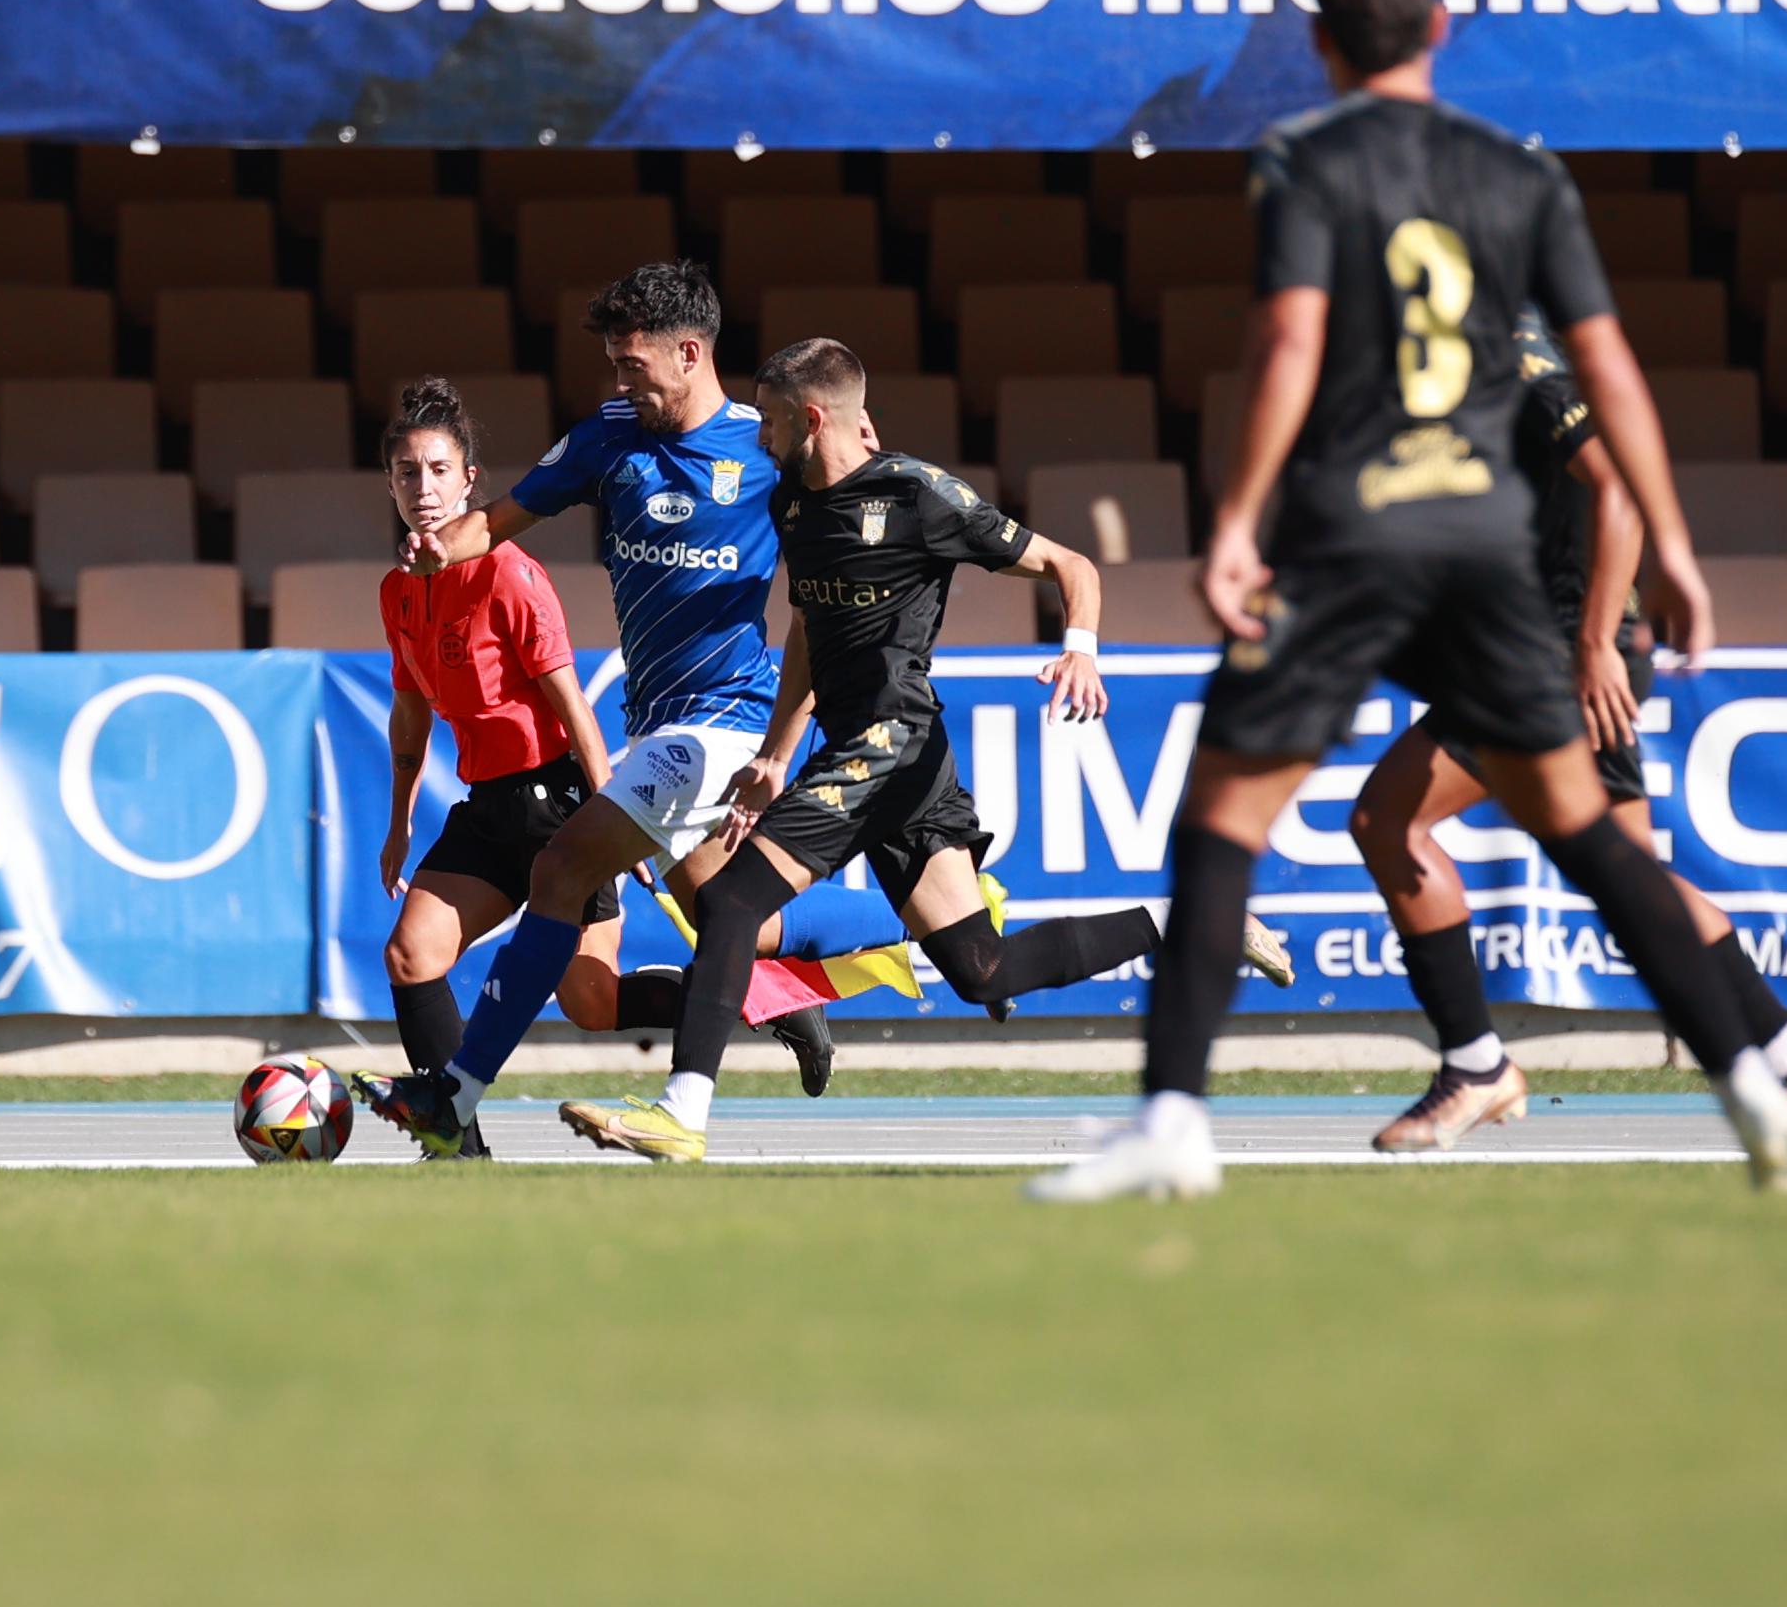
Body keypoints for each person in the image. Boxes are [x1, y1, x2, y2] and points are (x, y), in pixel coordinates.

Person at [1027, 0, 1787, 1205]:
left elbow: (1291, 345)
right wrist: (1675, 547)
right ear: (1441, 24)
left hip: (1353, 539)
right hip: (1485, 552)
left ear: (1319, 40)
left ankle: (1172, 1118)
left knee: (1224, 817)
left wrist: (1236, 523)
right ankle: (1755, 1083)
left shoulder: (1302, 158)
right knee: (1590, 836)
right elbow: (1612, 365)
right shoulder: (1523, 175)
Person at [559, 338, 1296, 1162]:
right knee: (982, 970)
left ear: (811, 418)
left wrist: (1081, 648)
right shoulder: (793, 504)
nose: (759, 436)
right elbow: (806, 628)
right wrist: (775, 753)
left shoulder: (919, 495)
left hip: (892, 744)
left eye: (769, 420)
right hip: (882, 755)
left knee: (731, 901)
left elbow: (1071, 563)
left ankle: (681, 1115)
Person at [351, 262, 922, 1158]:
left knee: (562, 871)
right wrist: (438, 549)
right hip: (658, 726)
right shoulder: (609, 436)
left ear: (689, 354)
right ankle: (926, 916)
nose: (620, 382)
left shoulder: (764, 447)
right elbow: (495, 520)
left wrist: (797, 726)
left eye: (633, 364)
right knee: (734, 915)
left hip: (724, 721)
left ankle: (453, 1102)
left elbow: (846, 546)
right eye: (615, 364)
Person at [1348, 311, 1787, 1153]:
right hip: (1566, 648)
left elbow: (1616, 485)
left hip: (1556, 658)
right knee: (1632, 881)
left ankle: (1475, 1065)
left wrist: (1592, 644)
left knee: (1388, 820)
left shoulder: (1514, 357)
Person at [370, 379, 830, 1157]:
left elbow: (575, 708)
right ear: (389, 484)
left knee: (591, 1002)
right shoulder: (397, 592)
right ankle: (458, 1149)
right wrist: (399, 819)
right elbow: (410, 713)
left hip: (556, 798)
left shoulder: (508, 572)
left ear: (469, 480)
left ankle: (766, 996)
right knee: (410, 955)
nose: (424, 488)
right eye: (407, 472)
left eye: (439, 470)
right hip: (488, 809)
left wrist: (612, 807)